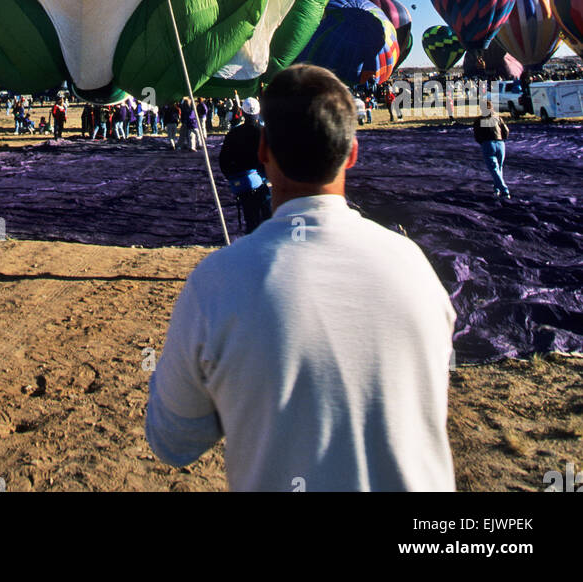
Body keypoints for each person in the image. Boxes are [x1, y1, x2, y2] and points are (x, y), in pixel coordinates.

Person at [145, 64, 456, 492]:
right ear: (352, 153)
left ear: (264, 152)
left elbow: (173, 441)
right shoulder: (415, 268)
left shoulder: (217, 282)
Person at [218, 110, 272, 233]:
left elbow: (223, 159)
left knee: (250, 218)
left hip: (242, 181)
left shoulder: (234, 133)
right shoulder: (263, 132)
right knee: (267, 214)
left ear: (243, 113)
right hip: (259, 179)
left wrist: (230, 176)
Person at [473, 100, 511, 201]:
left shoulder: (479, 120)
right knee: (499, 168)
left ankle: (504, 190)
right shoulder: (497, 118)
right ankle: (497, 188)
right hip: (500, 143)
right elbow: (506, 131)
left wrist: (482, 142)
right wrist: (502, 139)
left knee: (494, 168)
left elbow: (477, 135)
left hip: (487, 144)